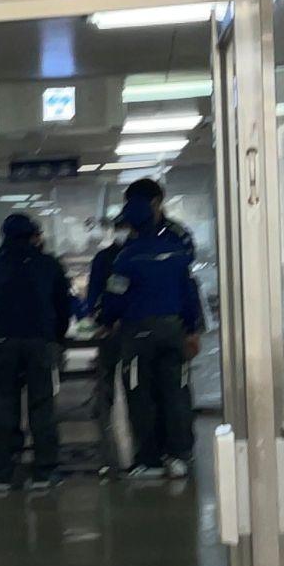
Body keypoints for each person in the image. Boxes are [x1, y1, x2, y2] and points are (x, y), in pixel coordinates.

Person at [100, 197, 204, 480]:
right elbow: (189, 295)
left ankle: (150, 460)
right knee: (176, 393)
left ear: (131, 226)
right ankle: (180, 456)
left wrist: (107, 321)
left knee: (141, 396)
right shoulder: (176, 253)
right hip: (172, 331)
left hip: (138, 335)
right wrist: (192, 329)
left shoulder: (125, 258)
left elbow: (114, 297)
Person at [0, 211, 73, 493]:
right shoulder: (48, 265)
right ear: (33, 236)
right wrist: (57, 337)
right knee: (42, 405)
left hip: (3, 343)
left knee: (2, 406)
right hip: (39, 342)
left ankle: (3, 473)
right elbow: (63, 306)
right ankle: (44, 471)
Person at [85, 212, 132, 478]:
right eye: (120, 227)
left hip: (129, 327)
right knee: (107, 373)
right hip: (113, 328)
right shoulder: (105, 258)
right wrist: (99, 318)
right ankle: (104, 412)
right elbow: (96, 292)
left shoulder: (132, 255)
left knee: (131, 377)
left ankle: (131, 415)